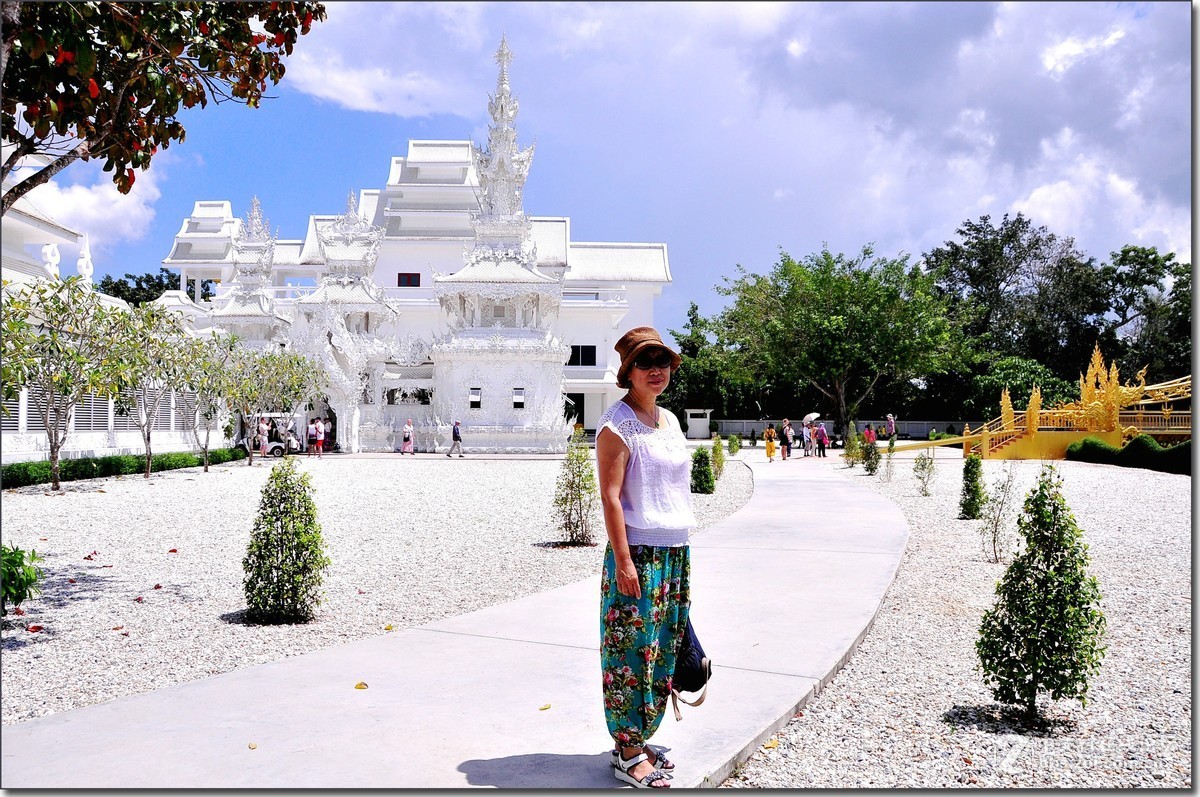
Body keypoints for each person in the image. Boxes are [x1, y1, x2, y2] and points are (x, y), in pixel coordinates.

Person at [596, 326, 693, 789]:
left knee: (663, 647)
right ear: (628, 372)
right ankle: (628, 750)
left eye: (663, 362)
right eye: (644, 362)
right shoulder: (617, 424)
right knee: (630, 652)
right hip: (638, 551)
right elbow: (611, 498)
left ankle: (640, 736)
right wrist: (623, 560)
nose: (656, 370)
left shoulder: (669, 420)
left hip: (676, 550)